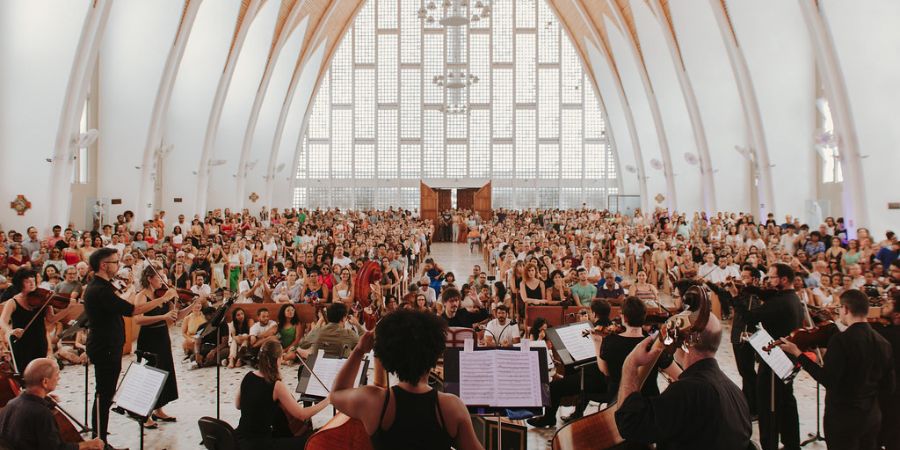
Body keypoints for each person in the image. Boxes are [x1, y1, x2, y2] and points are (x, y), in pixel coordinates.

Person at [331, 309, 483, 450]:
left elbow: (336, 394)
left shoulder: (373, 401)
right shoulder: (452, 407)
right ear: (436, 354)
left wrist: (359, 350)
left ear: (387, 357)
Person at [777, 289, 895, 450]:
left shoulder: (841, 340)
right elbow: (889, 386)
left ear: (846, 309)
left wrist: (798, 353)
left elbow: (827, 379)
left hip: (843, 418)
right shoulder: (883, 343)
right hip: (871, 417)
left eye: (840, 308)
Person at [614, 314, 752, 449]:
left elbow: (628, 425)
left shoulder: (686, 391)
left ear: (685, 342)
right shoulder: (734, 390)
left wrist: (630, 364)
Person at [83, 247, 175, 443]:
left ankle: (99, 437)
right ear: (103, 265)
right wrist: (163, 299)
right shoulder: (100, 290)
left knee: (105, 394)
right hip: (105, 347)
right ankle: (99, 440)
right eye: (115, 262)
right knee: (105, 395)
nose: (119, 266)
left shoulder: (103, 286)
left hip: (108, 345)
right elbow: (133, 310)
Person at [734, 262, 804, 450]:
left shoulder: (780, 303)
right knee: (787, 402)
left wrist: (736, 299)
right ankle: (791, 444)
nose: (769, 280)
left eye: (772, 277)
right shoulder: (792, 298)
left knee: (769, 407)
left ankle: (770, 445)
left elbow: (749, 317)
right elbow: (768, 297)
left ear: (784, 279)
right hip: (785, 359)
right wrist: (752, 289)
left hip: (775, 361)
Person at [527, 299, 611, 427]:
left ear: (594, 314)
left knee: (555, 387)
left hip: (595, 379)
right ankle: (577, 414)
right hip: (608, 379)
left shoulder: (595, 330)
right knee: (572, 375)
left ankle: (549, 418)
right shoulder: (613, 328)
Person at [235, 340, 330, 450]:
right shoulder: (276, 385)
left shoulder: (248, 376)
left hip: (240, 439)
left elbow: (238, 405)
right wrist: (328, 400)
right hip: (260, 444)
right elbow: (302, 415)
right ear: (278, 360)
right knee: (313, 439)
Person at [0, 358, 105, 449]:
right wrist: (88, 444)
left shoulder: (11, 403)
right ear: (45, 382)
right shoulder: (41, 413)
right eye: (57, 375)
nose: (58, 378)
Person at [0, 269, 71, 373]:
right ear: (20, 283)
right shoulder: (13, 302)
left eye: (33, 280)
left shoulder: (43, 299)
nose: (32, 283)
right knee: (24, 373)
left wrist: (68, 309)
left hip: (39, 340)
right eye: (27, 281)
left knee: (40, 373)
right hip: (22, 343)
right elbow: (2, 320)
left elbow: (51, 319)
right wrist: (10, 331)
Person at [295, 303, 363, 358]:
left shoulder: (317, 331)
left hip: (318, 370)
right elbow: (366, 344)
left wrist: (319, 322)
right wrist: (357, 324)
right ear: (343, 318)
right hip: (340, 371)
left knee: (299, 349)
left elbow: (303, 345)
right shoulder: (349, 334)